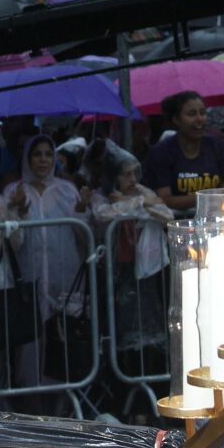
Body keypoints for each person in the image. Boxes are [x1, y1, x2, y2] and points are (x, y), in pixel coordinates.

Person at [1, 134, 89, 398]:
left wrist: (84, 210)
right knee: (31, 341)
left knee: (63, 336)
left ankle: (64, 399)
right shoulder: (14, 192)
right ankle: (31, 398)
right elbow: (12, 243)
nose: (42, 160)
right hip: (29, 279)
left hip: (65, 277)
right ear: (28, 159)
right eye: (36, 154)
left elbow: (84, 237)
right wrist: (17, 211)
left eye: (47, 154)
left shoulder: (67, 190)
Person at [89, 141, 173, 353]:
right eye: (126, 175)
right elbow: (103, 214)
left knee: (149, 319)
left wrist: (139, 201)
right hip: (115, 269)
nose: (133, 180)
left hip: (144, 269)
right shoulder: (100, 195)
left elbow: (167, 215)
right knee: (119, 320)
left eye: (135, 173)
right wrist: (137, 203)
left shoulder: (140, 191)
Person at [142, 90, 224, 212]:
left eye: (202, 113)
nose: (199, 119)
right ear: (176, 119)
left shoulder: (217, 146)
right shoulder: (161, 153)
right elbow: (165, 199)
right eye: (192, 114)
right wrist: (208, 197)